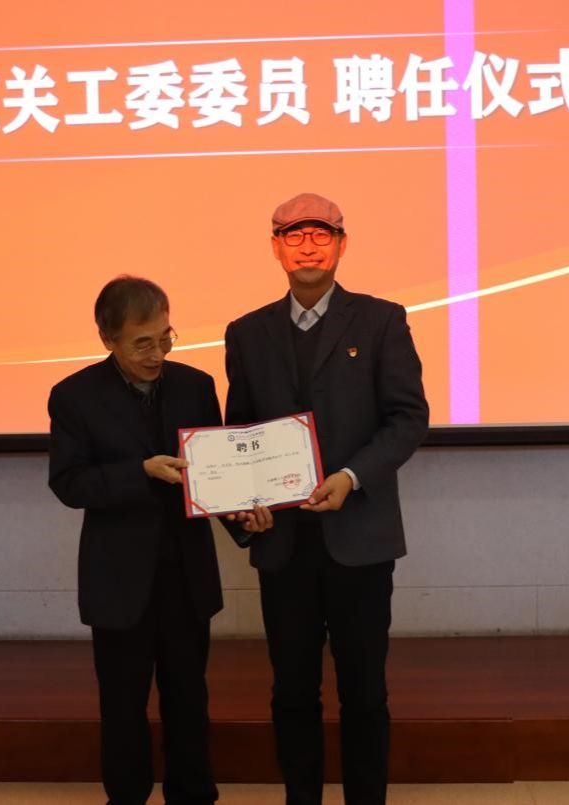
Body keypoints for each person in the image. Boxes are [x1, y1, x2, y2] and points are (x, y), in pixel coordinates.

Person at [223, 193, 429, 805]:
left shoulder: (382, 321)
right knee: (292, 692)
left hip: (359, 539)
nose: (307, 247)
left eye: (321, 235)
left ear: (342, 244)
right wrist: (242, 506)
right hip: (283, 543)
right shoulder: (247, 332)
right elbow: (239, 434)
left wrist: (351, 475)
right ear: (275, 247)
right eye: (293, 235)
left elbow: (408, 418)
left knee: (364, 691)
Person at [48, 275, 225, 805]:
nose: (157, 354)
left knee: (189, 700)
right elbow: (69, 483)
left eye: (166, 338)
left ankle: (193, 795)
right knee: (123, 706)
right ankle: (126, 797)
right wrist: (140, 472)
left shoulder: (196, 386)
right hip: (118, 582)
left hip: (186, 575)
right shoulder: (74, 396)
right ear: (108, 339)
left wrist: (245, 511)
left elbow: (215, 471)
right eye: (142, 344)